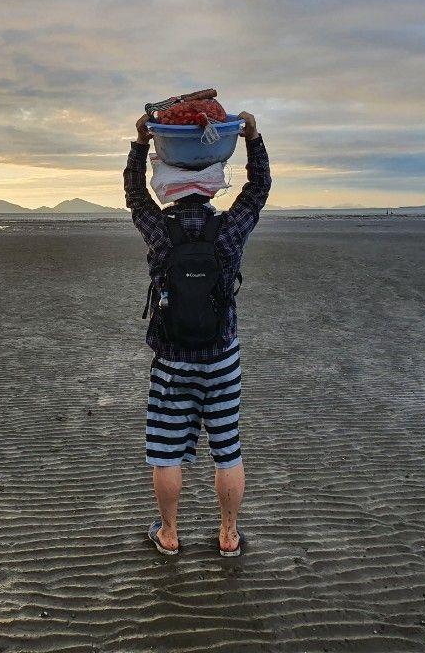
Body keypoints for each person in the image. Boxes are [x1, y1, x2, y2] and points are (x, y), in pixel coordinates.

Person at [124, 111, 271, 556]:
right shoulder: (227, 231)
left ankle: (169, 534)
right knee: (227, 449)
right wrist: (253, 139)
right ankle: (229, 535)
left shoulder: (159, 231)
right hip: (222, 357)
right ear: (210, 185)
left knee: (166, 452)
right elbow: (257, 190)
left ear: (168, 184)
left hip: (171, 360)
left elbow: (134, 194)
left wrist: (139, 144)